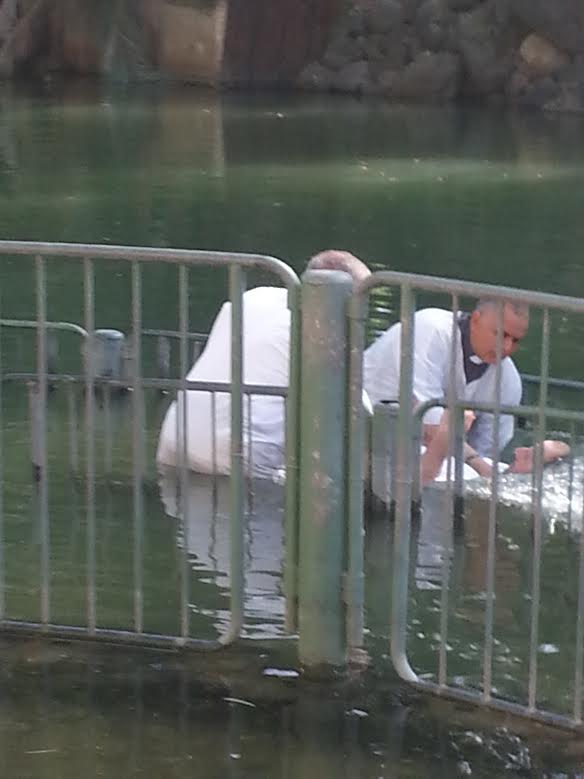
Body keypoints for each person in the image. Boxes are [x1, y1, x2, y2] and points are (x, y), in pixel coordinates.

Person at [156, 250, 371, 478]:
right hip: (241, 460)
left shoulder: (256, 297)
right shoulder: (323, 330)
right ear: (342, 297)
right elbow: (358, 407)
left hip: (174, 439)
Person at [363, 299, 529, 460]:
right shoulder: (429, 329)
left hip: (431, 457)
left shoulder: (508, 379)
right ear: (475, 320)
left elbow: (489, 448)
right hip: (363, 428)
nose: (507, 347)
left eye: (515, 340)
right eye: (501, 334)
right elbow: (429, 421)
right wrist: (476, 462)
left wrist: (479, 466)